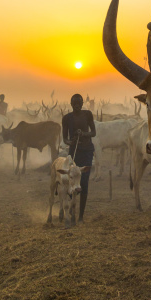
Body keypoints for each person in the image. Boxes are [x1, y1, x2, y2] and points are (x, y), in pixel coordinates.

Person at [62, 94, 96, 223]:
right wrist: (71, 141)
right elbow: (65, 138)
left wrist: (84, 134)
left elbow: (93, 132)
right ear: (70, 104)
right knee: (72, 182)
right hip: (74, 153)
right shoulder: (67, 118)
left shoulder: (87, 114)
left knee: (84, 183)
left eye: (79, 103)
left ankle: (81, 216)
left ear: (82, 103)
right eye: (74, 103)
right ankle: (71, 208)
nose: (77, 105)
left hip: (87, 151)